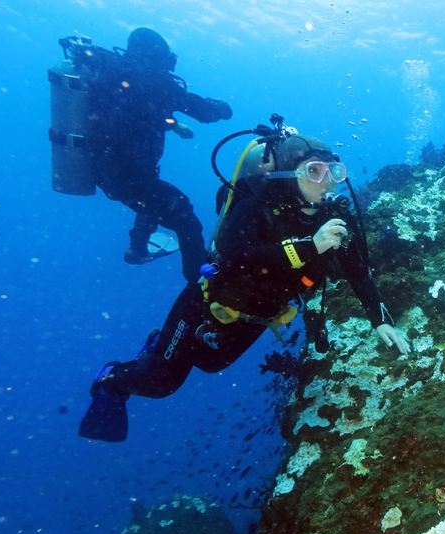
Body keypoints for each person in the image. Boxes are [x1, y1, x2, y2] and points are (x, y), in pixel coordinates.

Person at [79, 133, 410, 442]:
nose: (325, 181)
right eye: (314, 171)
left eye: (333, 171)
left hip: (259, 316)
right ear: (289, 175)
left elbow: (359, 272)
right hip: (206, 305)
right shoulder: (256, 203)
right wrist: (310, 246)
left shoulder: (336, 218)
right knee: (162, 383)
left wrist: (380, 318)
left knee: (211, 364)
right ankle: (111, 378)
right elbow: (238, 256)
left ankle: (158, 345)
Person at [70, 28, 233, 278]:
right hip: (128, 176)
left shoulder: (111, 68)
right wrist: (222, 107)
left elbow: (136, 110)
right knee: (185, 218)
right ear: (158, 56)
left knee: (151, 197)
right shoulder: (157, 82)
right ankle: (200, 290)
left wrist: (174, 125)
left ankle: (137, 250)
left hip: (100, 167)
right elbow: (206, 112)